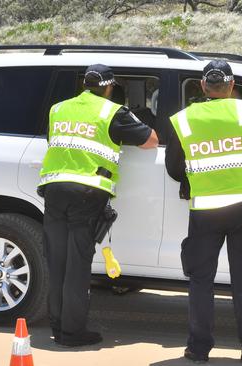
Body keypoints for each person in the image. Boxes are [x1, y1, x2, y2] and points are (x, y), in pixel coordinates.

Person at [165, 60, 242, 363]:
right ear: (231, 86)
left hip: (204, 212)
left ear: (202, 86)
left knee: (201, 281)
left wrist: (193, 178)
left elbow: (174, 169)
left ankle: (198, 349)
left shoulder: (183, 120)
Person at [39, 64, 158, 347]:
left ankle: (57, 324)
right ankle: (72, 333)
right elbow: (152, 140)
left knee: (57, 262)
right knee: (78, 265)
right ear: (109, 87)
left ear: (85, 84)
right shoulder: (111, 112)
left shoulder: (59, 108)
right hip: (87, 192)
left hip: (54, 189)